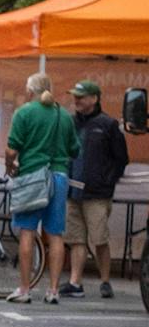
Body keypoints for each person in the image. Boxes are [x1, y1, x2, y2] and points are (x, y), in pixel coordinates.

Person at [4, 71, 80, 305]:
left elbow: (11, 150)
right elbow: (75, 150)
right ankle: (54, 290)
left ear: (29, 91)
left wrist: (10, 167)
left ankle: (25, 288)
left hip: (32, 177)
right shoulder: (64, 116)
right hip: (58, 177)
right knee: (55, 234)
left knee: (28, 232)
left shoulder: (24, 112)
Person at [64, 80, 130, 300]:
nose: (76, 100)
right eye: (75, 96)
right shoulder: (72, 123)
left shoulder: (107, 125)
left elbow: (121, 159)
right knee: (76, 239)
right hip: (72, 191)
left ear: (94, 99)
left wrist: (107, 182)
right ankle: (75, 282)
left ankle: (105, 280)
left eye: (80, 97)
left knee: (99, 239)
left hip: (97, 194)